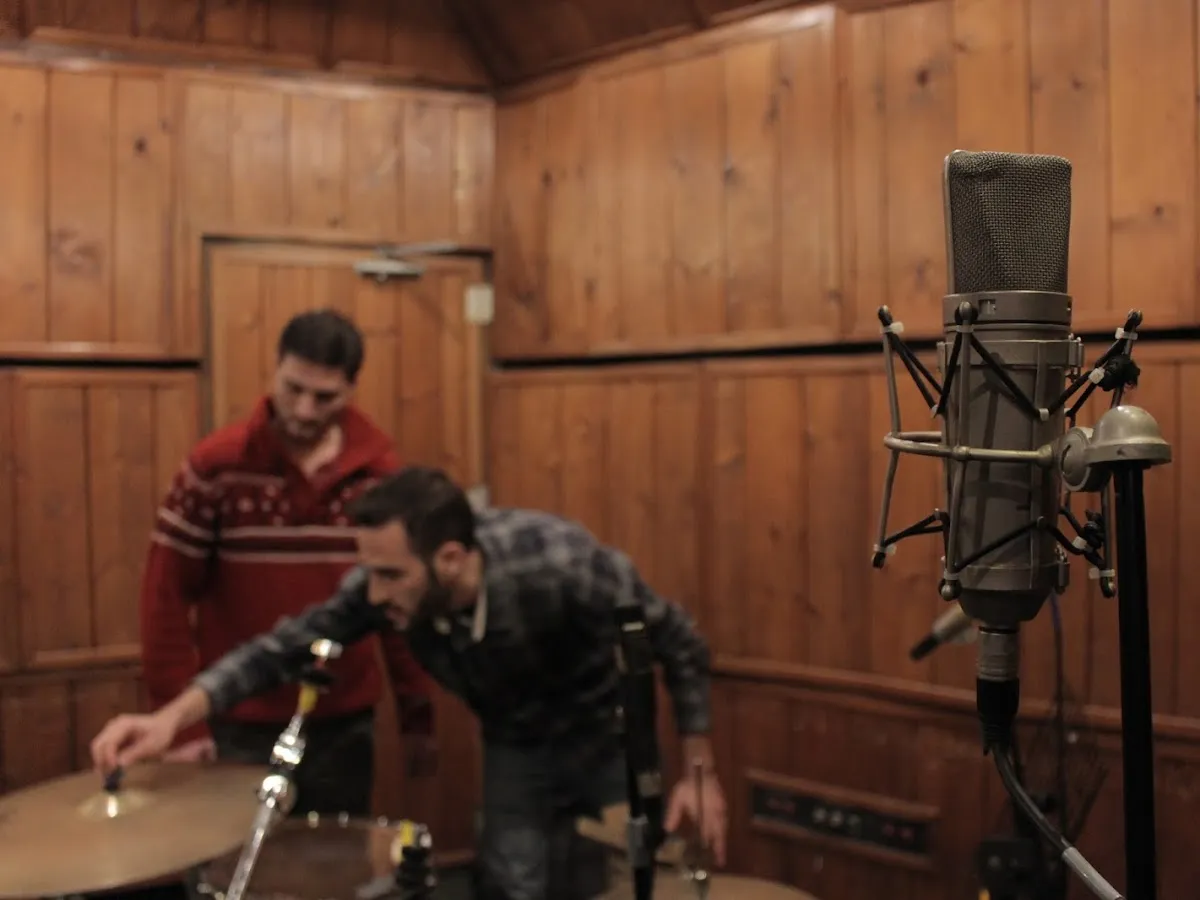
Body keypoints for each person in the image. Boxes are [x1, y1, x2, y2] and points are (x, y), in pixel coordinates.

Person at [94, 466, 727, 900]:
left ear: (450, 559)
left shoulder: (562, 563)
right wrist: (171, 718)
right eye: (369, 573)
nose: (373, 595)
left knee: (615, 884)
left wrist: (698, 772)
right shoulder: (388, 584)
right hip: (513, 743)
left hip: (605, 739)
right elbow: (281, 647)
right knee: (511, 883)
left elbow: (679, 641)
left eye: (390, 576)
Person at [140, 309, 435, 816]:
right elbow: (164, 598)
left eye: (325, 397)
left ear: (352, 389)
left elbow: (397, 602)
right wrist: (183, 726)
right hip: (236, 718)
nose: (303, 409)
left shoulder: (380, 478)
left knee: (335, 859)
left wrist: (417, 712)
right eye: (292, 388)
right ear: (274, 371)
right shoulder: (216, 468)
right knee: (238, 860)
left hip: (343, 722)